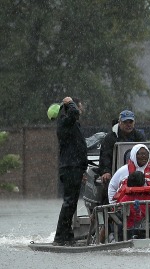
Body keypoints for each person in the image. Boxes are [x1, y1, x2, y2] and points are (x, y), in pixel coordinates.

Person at [53, 96, 88, 246]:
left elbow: (80, 147)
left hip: (75, 166)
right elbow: (74, 113)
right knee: (69, 202)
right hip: (69, 166)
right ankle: (60, 236)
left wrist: (83, 168)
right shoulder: (65, 122)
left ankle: (67, 234)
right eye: (79, 107)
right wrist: (70, 102)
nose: (81, 110)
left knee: (72, 203)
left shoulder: (72, 125)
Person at [99, 110, 146, 204]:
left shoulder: (139, 137)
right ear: (119, 122)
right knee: (107, 189)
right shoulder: (110, 138)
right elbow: (105, 156)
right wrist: (106, 172)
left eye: (130, 122)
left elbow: (145, 155)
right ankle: (107, 214)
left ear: (134, 122)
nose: (128, 125)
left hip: (137, 172)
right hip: (115, 172)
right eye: (125, 122)